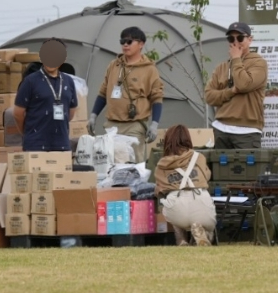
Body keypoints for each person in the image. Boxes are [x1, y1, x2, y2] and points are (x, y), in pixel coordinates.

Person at [87, 26, 164, 163]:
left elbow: (156, 97)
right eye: (122, 41)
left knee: (133, 163)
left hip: (134, 124)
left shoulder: (149, 69)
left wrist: (154, 124)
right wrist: (93, 116)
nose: (125, 45)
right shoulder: (114, 65)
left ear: (141, 44)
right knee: (111, 162)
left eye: (129, 41)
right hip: (112, 124)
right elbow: (103, 92)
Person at [205, 22, 268, 149]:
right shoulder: (221, 67)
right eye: (231, 38)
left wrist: (236, 59)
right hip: (221, 128)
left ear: (250, 39)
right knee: (220, 169)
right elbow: (209, 96)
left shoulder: (259, 63)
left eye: (240, 38)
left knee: (248, 169)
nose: (235, 42)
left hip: (247, 131)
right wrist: (231, 91)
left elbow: (244, 85)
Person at [13, 38, 78, 152]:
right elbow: (18, 113)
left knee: (60, 170)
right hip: (35, 145)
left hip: (61, 144)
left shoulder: (68, 81)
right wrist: (29, 132)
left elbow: (71, 112)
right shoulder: (30, 81)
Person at [155, 125, 215, 246]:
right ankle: (204, 236)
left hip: (177, 206)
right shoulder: (199, 157)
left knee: (171, 208)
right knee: (209, 227)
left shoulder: (162, 164)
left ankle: (181, 240)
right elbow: (207, 176)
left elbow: (160, 189)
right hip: (200, 201)